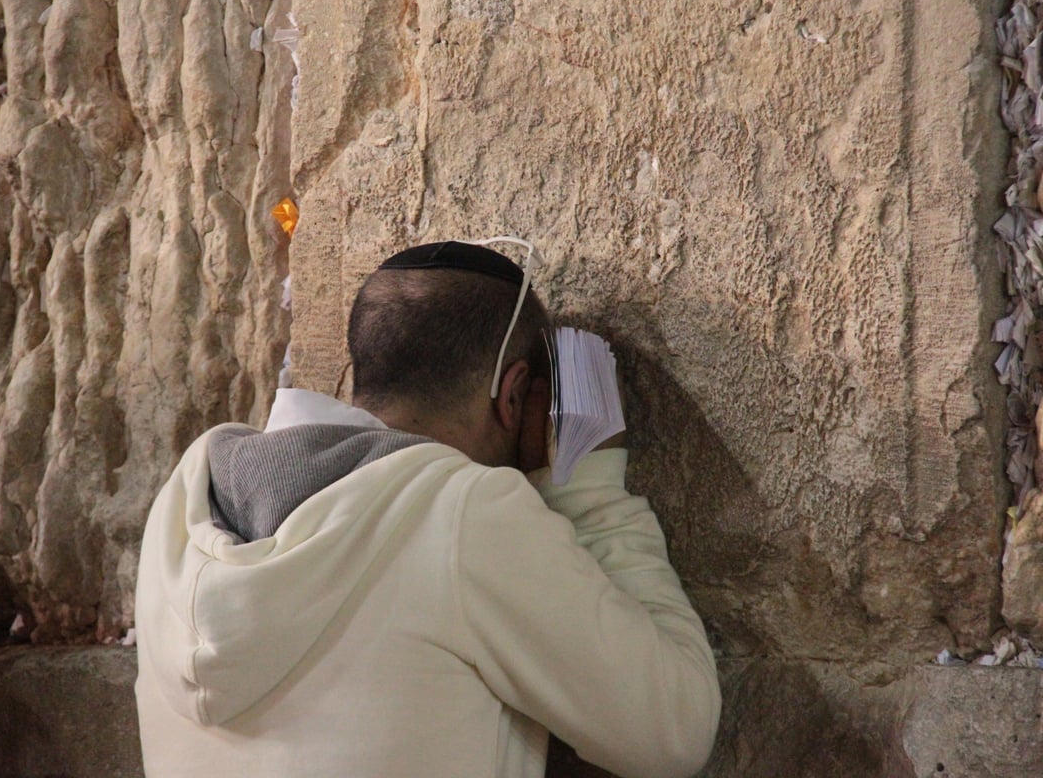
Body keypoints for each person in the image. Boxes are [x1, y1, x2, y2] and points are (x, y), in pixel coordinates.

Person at [134, 239, 721, 778]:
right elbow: (673, 731)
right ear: (514, 396)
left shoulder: (184, 503)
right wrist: (588, 491)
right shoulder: (466, 516)